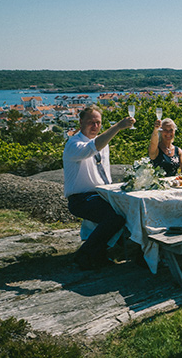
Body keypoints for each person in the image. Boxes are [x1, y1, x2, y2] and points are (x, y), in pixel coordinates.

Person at [63, 105, 134, 270]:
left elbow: (104, 171)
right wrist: (117, 127)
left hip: (101, 195)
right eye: (91, 122)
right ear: (80, 122)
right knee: (114, 217)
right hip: (81, 199)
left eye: (98, 123)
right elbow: (90, 149)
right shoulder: (73, 143)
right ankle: (85, 254)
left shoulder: (103, 144)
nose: (95, 126)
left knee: (127, 208)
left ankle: (103, 252)